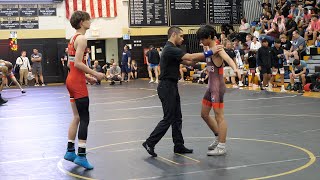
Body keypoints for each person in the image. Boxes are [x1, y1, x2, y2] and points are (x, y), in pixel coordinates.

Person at [142, 26, 224, 157]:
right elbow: (190, 56)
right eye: (181, 36)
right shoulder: (170, 49)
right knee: (168, 118)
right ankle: (149, 143)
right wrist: (210, 52)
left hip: (171, 86)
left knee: (177, 118)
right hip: (166, 86)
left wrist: (209, 56)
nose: (182, 38)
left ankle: (178, 145)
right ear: (174, 35)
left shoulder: (173, 50)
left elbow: (189, 61)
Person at [63, 11, 106, 170]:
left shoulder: (73, 38)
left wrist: (86, 78)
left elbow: (71, 64)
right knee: (85, 118)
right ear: (82, 22)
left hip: (71, 80)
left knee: (76, 117)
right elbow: (79, 63)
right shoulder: (82, 39)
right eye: (88, 19)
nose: (91, 21)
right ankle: (81, 156)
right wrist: (95, 73)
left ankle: (69, 151)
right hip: (77, 82)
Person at [197, 25, 240, 156]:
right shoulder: (209, 48)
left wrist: (235, 68)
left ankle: (222, 146)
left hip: (217, 87)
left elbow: (227, 58)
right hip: (210, 86)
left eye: (202, 39)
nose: (201, 42)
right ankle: (218, 137)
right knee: (204, 114)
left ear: (209, 37)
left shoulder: (218, 47)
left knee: (219, 116)